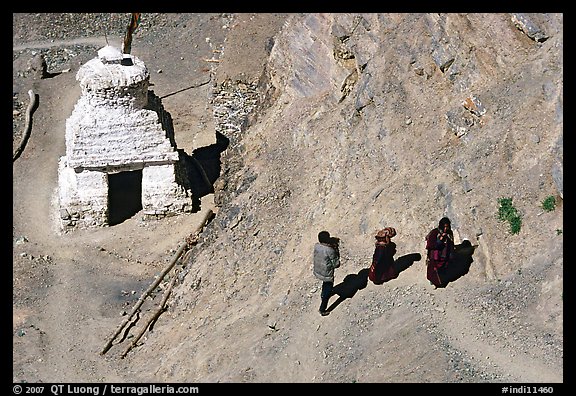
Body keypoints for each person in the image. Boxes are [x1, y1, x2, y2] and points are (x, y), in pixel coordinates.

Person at [313, 231, 341, 316]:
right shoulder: (330, 250)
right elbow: (336, 264)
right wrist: (336, 252)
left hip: (318, 270)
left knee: (325, 284)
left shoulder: (317, 246)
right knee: (328, 287)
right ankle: (322, 309)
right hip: (327, 273)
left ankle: (323, 294)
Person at [425, 217, 454, 288]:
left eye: (447, 227)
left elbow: (451, 243)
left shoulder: (449, 233)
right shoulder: (434, 233)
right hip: (435, 256)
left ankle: (442, 282)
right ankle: (435, 283)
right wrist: (440, 240)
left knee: (443, 270)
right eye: (444, 227)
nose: (445, 229)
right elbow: (431, 245)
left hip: (445, 256)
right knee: (434, 271)